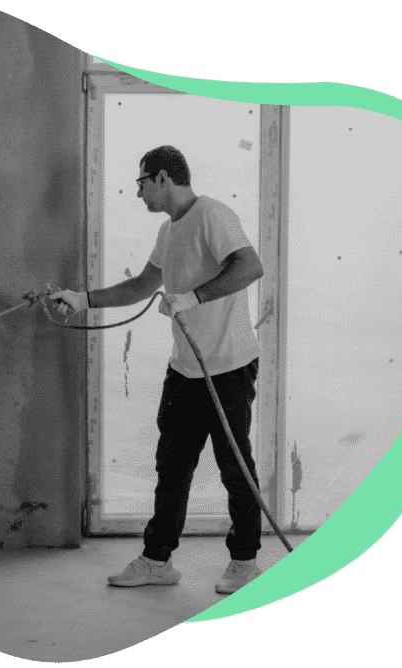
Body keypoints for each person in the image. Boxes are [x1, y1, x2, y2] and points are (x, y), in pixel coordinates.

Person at [49, 145, 265, 593]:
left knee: (234, 465)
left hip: (227, 367)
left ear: (163, 178)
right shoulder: (170, 232)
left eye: (142, 182)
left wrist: (194, 297)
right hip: (185, 370)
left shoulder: (212, 215)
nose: (139, 192)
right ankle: (157, 560)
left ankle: (244, 561)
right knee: (171, 465)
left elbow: (250, 266)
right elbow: (143, 285)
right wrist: (82, 299)